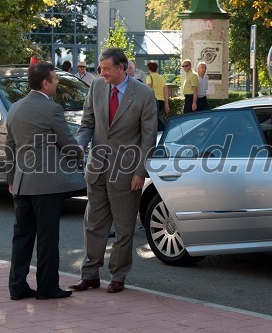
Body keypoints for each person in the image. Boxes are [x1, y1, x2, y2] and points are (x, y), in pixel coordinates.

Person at [69, 48, 157, 294]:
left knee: (124, 227)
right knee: (93, 224)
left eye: (106, 68)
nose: (102, 72)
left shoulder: (144, 94)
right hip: (96, 168)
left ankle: (118, 276)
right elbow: (87, 123)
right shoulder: (96, 87)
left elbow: (148, 138)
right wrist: (79, 144)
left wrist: (140, 171)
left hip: (127, 172)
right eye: (100, 68)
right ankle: (90, 275)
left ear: (122, 67)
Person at [5, 62, 85, 301]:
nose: (57, 83)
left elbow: (9, 148)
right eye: (55, 80)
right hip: (47, 185)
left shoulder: (15, 108)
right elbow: (67, 143)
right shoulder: (52, 109)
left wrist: (11, 179)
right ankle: (47, 287)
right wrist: (80, 152)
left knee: (22, 238)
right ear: (45, 83)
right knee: (48, 238)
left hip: (21, 183)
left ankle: (17, 287)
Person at [146, 61, 170, 131]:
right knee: (157, 117)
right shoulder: (161, 77)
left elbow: (148, 90)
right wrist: (166, 104)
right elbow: (166, 90)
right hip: (161, 101)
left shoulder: (149, 77)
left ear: (148, 68)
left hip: (153, 101)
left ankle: (162, 130)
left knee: (154, 119)